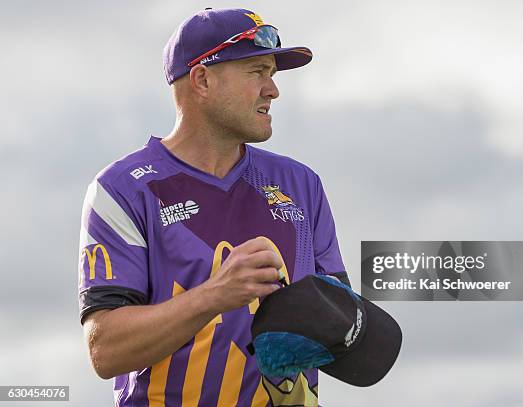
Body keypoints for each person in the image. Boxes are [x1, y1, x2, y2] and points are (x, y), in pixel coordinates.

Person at [78, 8, 349, 407]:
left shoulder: (300, 184)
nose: (273, 90)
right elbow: (106, 351)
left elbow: (341, 326)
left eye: (272, 74)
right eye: (257, 72)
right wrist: (217, 294)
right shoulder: (122, 189)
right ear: (203, 79)